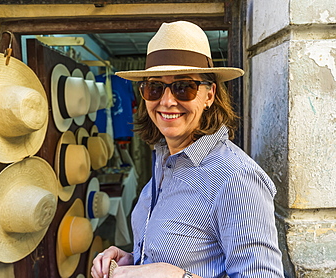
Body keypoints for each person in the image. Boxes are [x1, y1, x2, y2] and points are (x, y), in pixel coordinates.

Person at [91, 20, 284, 278]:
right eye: (155, 87)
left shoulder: (235, 178)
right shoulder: (165, 161)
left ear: (209, 95)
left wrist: (176, 276)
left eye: (184, 87)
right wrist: (134, 260)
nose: (167, 101)